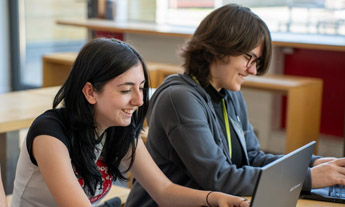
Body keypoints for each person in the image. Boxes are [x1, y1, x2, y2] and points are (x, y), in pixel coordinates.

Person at [126, 3, 345, 207]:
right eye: (249, 58)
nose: (253, 71)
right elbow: (219, 178)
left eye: (256, 62)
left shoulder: (228, 93)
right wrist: (307, 178)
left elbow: (253, 158)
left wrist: (313, 164)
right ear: (218, 48)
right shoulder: (180, 99)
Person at [10, 38, 249, 207]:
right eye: (126, 90)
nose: (138, 100)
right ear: (90, 92)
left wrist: (214, 198)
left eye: (142, 88)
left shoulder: (119, 129)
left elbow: (164, 191)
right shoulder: (50, 135)